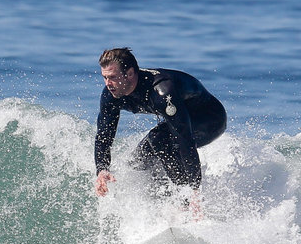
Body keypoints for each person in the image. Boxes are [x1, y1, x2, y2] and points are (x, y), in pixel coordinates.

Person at [93, 48, 227, 202]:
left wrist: (194, 191)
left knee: (159, 140)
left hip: (210, 118)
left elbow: (185, 141)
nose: (108, 84)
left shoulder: (161, 92)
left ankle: (185, 200)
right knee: (139, 158)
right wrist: (102, 169)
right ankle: (161, 198)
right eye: (105, 77)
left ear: (129, 73)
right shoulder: (111, 95)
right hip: (182, 117)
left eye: (112, 77)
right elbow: (104, 136)